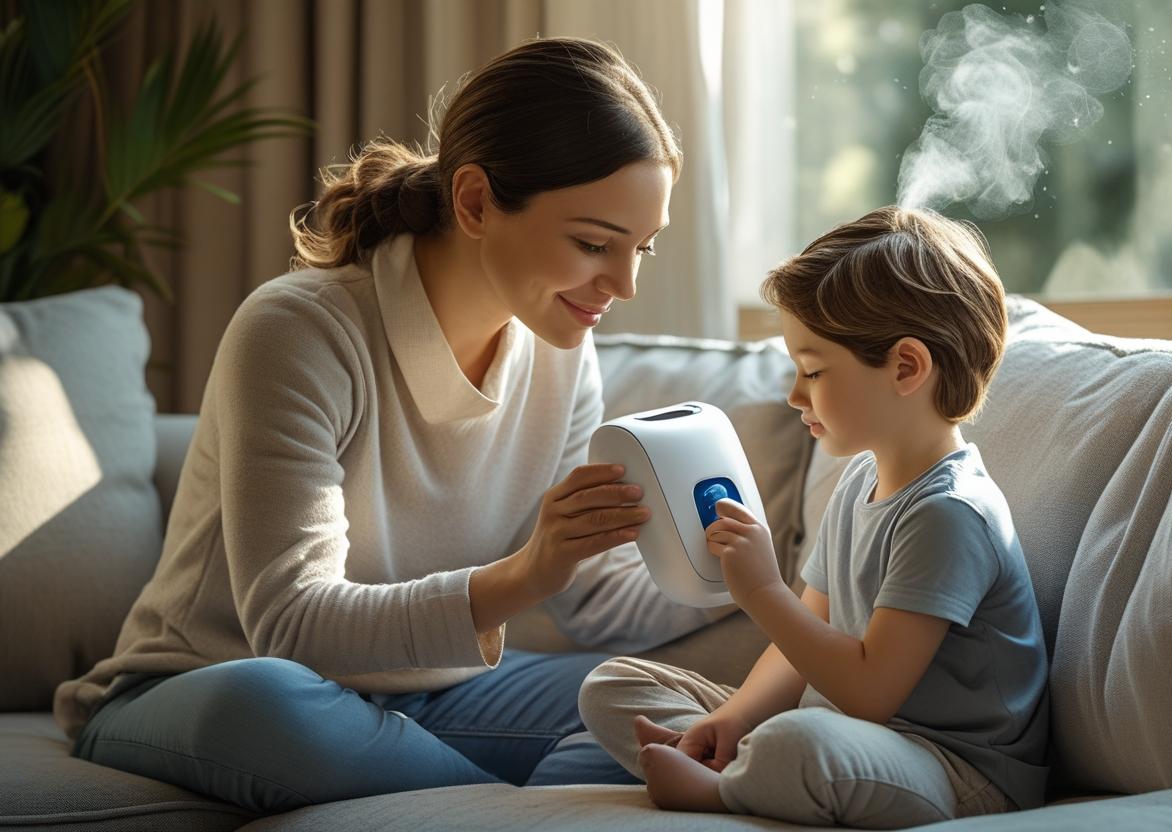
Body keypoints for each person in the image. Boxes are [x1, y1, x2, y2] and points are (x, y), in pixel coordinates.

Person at [53, 37, 728, 813]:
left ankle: (457, 800)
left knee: (673, 710)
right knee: (270, 704)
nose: (626, 284)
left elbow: (594, 600)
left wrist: (764, 572)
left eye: (642, 246)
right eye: (593, 243)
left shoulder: (562, 355)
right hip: (212, 685)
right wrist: (521, 574)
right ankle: (518, 811)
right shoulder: (299, 331)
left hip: (433, 694)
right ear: (475, 202)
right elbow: (292, 624)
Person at [579, 206, 1051, 828]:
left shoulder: (949, 514)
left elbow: (870, 692)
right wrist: (733, 718)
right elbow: (805, 640)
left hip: (955, 769)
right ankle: (737, 764)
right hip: (847, 731)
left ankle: (724, 789)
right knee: (610, 686)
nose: (794, 395)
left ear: (906, 367)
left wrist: (762, 592)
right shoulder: (863, 478)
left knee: (797, 743)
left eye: (814, 371)